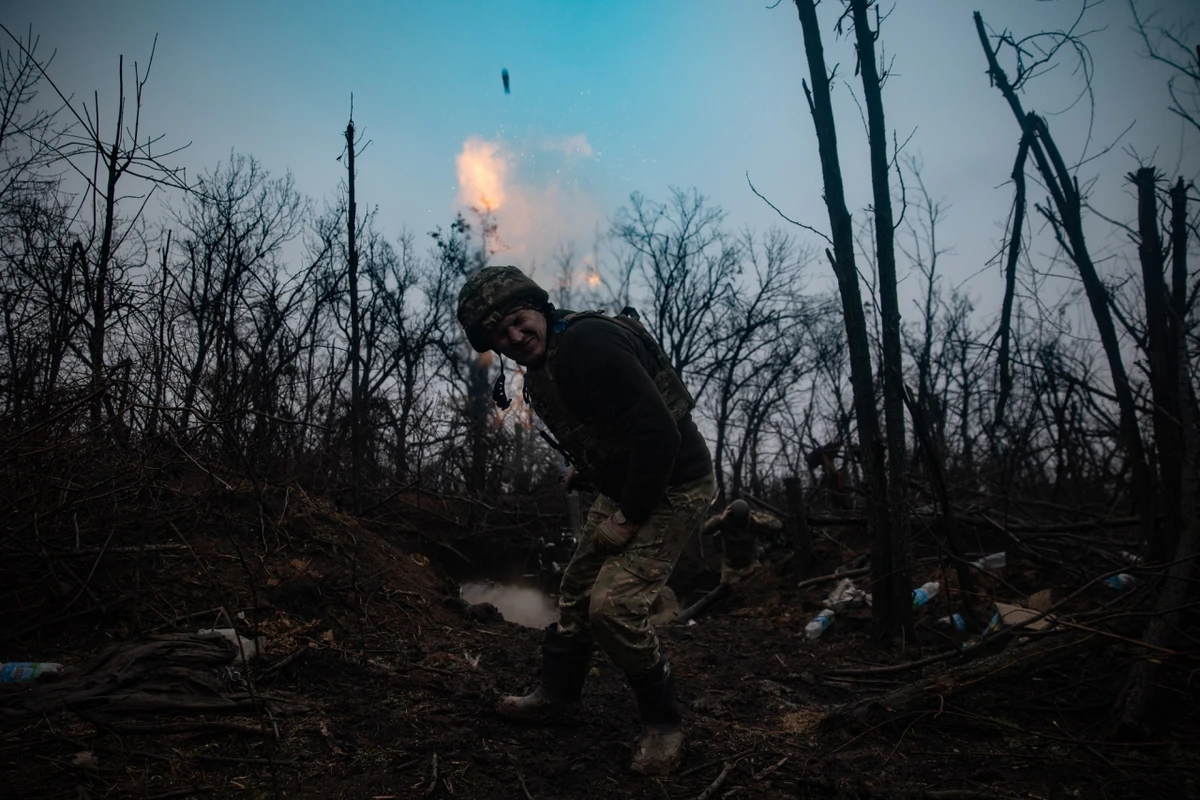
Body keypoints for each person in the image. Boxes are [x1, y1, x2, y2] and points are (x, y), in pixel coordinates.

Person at [456, 266, 714, 776]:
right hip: (628, 480)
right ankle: (558, 697)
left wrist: (629, 518)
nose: (514, 336)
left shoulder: (588, 345)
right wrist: (590, 466)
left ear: (537, 306)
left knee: (612, 608)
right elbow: (614, 422)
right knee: (576, 590)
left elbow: (660, 434)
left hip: (672, 483)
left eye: (518, 320)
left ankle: (664, 726)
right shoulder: (549, 359)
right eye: (499, 334)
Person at [701, 499, 783, 585]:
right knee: (729, 591)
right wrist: (719, 520)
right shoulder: (725, 519)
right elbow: (704, 529)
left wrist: (760, 522)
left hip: (751, 564)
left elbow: (778, 524)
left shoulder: (752, 516)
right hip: (730, 568)